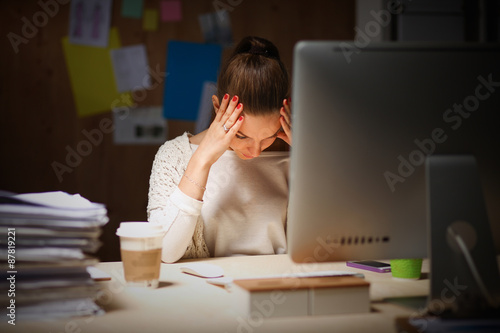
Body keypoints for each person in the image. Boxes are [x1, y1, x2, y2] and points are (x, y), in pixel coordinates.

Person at [147, 36, 292, 263]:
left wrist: (309, 159)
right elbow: (164, 252)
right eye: (241, 135)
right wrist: (202, 159)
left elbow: (332, 245)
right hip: (205, 294)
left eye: (268, 137)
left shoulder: (294, 156)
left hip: (279, 289)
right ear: (217, 107)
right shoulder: (173, 155)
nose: (254, 151)